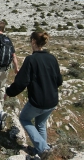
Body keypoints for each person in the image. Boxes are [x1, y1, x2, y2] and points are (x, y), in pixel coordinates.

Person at [4, 31, 62, 160]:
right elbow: (59, 81)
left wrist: (9, 92)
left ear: (33, 42)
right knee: (40, 124)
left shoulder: (31, 59)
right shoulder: (52, 58)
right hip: (52, 101)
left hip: (38, 102)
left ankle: (43, 148)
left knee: (24, 119)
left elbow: (21, 82)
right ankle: (39, 150)